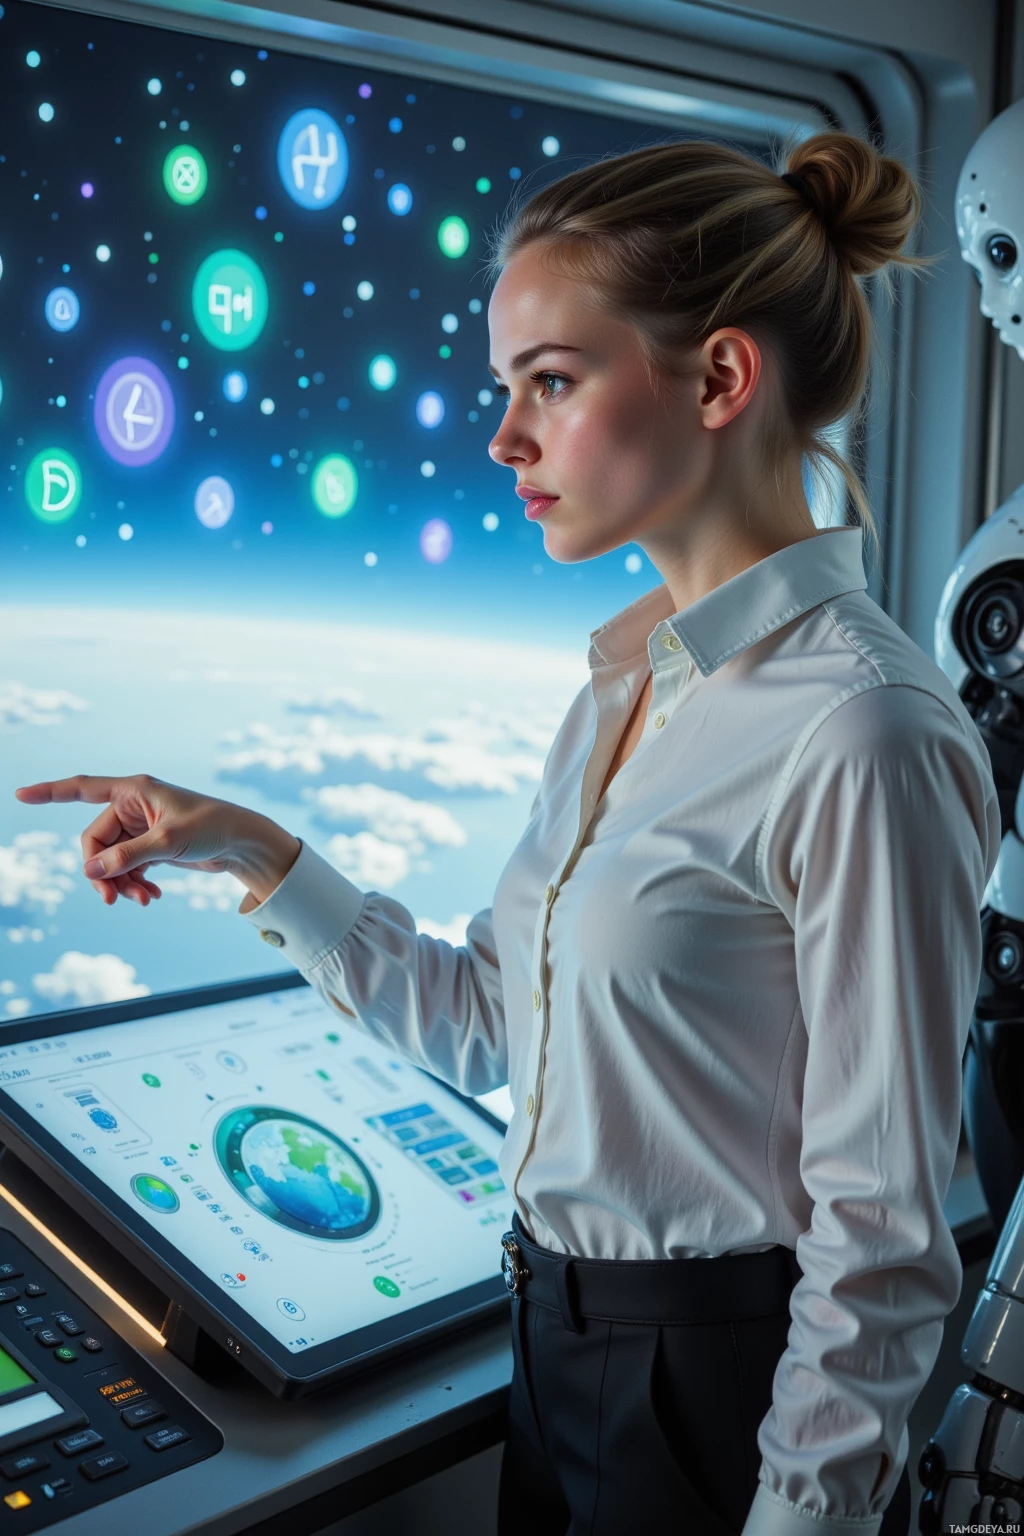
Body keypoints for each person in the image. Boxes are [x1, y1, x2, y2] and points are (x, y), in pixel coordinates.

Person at [14, 131, 1001, 1536]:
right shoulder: (624, 688)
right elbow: (490, 1023)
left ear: (721, 378)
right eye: (505, 387)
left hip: (727, 1404)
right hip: (559, 1351)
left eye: (552, 381)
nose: (503, 440)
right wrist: (252, 849)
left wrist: (803, 1519)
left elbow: (883, 1245)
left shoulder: (864, 732)